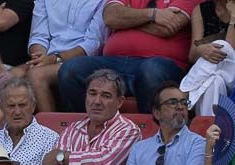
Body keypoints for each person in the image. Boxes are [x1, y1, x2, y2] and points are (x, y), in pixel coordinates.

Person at [54, 0, 197, 115]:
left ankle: (152, 137)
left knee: (151, 71)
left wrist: (127, 19)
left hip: (162, 64)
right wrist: (152, 15)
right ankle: (86, 134)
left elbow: (168, 27)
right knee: (70, 69)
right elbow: (110, 17)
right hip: (114, 62)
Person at [44, 69, 140, 165]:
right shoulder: (72, 129)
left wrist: (63, 157)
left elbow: (103, 161)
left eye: (106, 96)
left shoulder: (128, 130)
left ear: (119, 102)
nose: (97, 101)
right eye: (92, 93)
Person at [14, 0, 109, 112]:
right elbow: (38, 36)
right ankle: (15, 129)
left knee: (36, 76)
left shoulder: (102, 1)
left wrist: (55, 58)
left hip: (82, 60)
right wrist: (39, 58)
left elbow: (93, 44)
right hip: (48, 57)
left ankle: (49, 128)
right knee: (10, 75)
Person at [181, 0, 235, 116]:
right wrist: (201, 50)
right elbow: (192, 55)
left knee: (223, 46)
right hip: (211, 75)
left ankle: (184, 94)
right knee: (215, 82)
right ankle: (209, 128)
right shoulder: (201, 9)